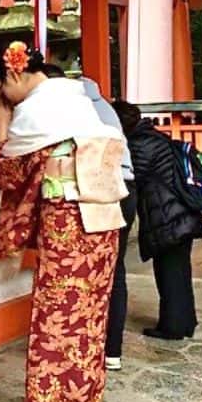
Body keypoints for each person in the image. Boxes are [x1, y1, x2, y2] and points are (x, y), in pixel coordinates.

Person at [0, 41, 126, 402]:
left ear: (15, 73)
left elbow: (9, 175)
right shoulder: (75, 98)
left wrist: (2, 129)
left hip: (70, 227)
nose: (4, 97)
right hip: (101, 224)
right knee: (88, 330)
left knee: (57, 332)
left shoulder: (37, 111)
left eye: (2, 88)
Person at [113, 101, 202, 340]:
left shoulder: (139, 144)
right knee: (180, 272)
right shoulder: (154, 136)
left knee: (169, 274)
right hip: (181, 214)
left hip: (167, 217)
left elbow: (135, 177)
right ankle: (186, 322)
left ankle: (172, 328)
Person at [81, 79, 137, 372]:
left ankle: (93, 345)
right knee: (116, 270)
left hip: (104, 191)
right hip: (127, 189)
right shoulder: (104, 107)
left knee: (91, 270)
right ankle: (112, 350)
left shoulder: (76, 106)